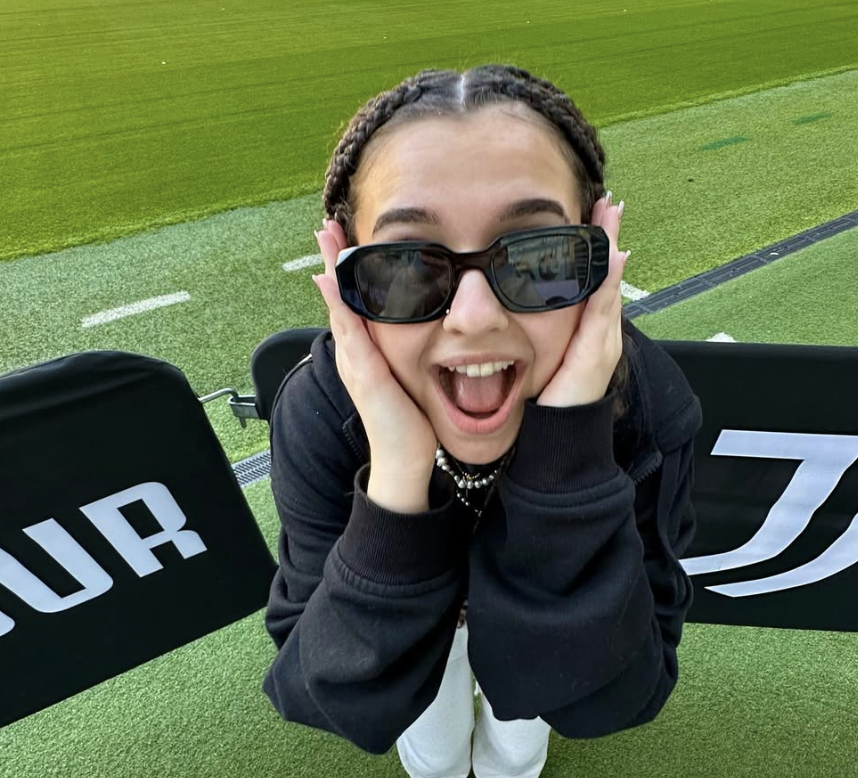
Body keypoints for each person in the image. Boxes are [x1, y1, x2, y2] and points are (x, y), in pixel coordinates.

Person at [262, 63, 703, 778]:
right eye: (406, 265)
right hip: (416, 624)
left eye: (539, 256)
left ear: (596, 258)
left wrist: (569, 449)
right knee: (433, 755)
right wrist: (397, 471)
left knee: (516, 753)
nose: (473, 317)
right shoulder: (322, 411)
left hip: (541, 622)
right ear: (346, 277)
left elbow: (617, 697)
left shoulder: (644, 405)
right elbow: (326, 693)